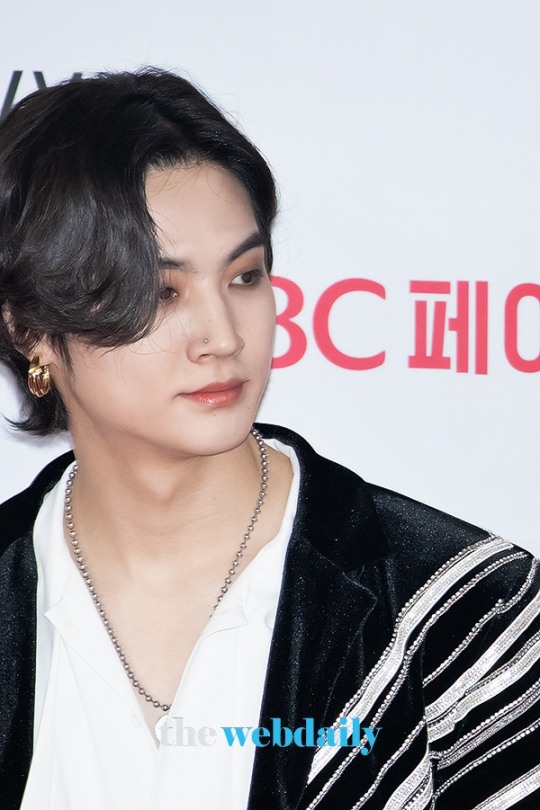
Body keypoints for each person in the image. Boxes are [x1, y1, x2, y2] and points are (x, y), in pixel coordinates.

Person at [0, 69, 538, 810]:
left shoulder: (462, 613)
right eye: (161, 292)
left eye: (245, 277)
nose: (223, 336)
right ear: (30, 326)